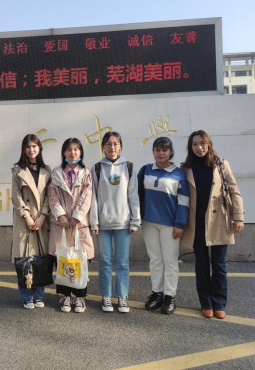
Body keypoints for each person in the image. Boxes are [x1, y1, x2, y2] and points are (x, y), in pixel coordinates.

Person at [181, 130, 245, 319]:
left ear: (208, 144)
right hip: (196, 223)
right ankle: (206, 302)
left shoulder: (221, 164)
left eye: (202, 143)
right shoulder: (186, 168)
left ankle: (219, 302)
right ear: (190, 147)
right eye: (195, 144)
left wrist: (238, 217)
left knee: (219, 265)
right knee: (201, 265)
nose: (199, 147)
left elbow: (234, 191)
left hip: (218, 221)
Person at [137, 137, 189, 315]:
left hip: (170, 224)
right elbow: (136, 195)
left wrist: (180, 223)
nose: (161, 153)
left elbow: (184, 201)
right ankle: (157, 294)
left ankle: (169, 296)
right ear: (153, 151)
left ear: (171, 152)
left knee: (170, 260)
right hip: (148, 222)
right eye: (157, 150)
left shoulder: (179, 173)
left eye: (164, 150)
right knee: (155, 259)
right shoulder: (145, 170)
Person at [90, 131, 140, 313]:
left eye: (115, 144)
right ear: (103, 146)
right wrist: (94, 222)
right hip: (103, 224)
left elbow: (133, 195)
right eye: (108, 144)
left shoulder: (129, 167)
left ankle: (122, 296)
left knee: (122, 262)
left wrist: (135, 220)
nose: (112, 147)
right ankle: (106, 296)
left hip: (123, 223)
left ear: (120, 146)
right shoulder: (97, 168)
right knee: (104, 262)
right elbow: (93, 197)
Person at [48, 138, 94, 313]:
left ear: (80, 152)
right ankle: (65, 296)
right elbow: (52, 196)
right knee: (62, 260)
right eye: (68, 149)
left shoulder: (86, 173)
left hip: (78, 225)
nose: (72, 152)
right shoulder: (56, 173)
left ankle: (80, 297)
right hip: (60, 225)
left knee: (80, 261)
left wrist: (77, 217)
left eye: (76, 149)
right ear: (63, 152)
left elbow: (87, 196)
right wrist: (60, 215)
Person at [11, 134, 51, 309]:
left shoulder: (46, 170)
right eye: (28, 146)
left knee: (41, 258)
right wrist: (26, 216)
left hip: (42, 220)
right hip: (24, 220)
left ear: (40, 148)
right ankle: (26, 296)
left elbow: (50, 196)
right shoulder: (17, 170)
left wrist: (42, 216)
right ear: (23, 149)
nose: (31, 149)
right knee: (24, 259)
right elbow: (15, 196)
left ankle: (39, 295)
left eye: (34, 146)